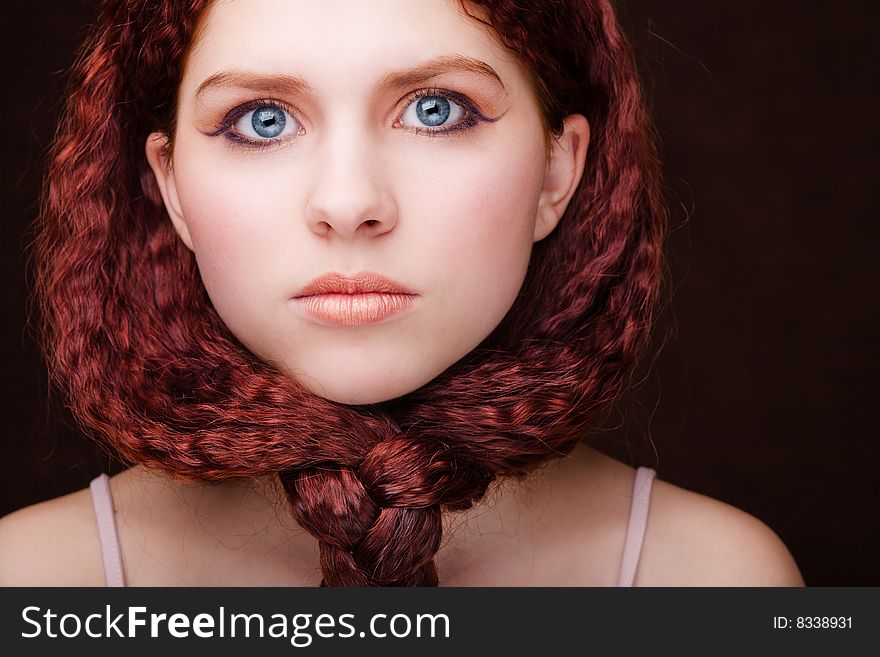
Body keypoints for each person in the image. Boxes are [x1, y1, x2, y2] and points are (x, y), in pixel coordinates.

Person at [0, 0, 803, 587]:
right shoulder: (29, 584)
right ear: (171, 187)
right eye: (263, 120)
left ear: (559, 170)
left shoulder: (717, 582)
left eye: (435, 109)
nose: (349, 203)